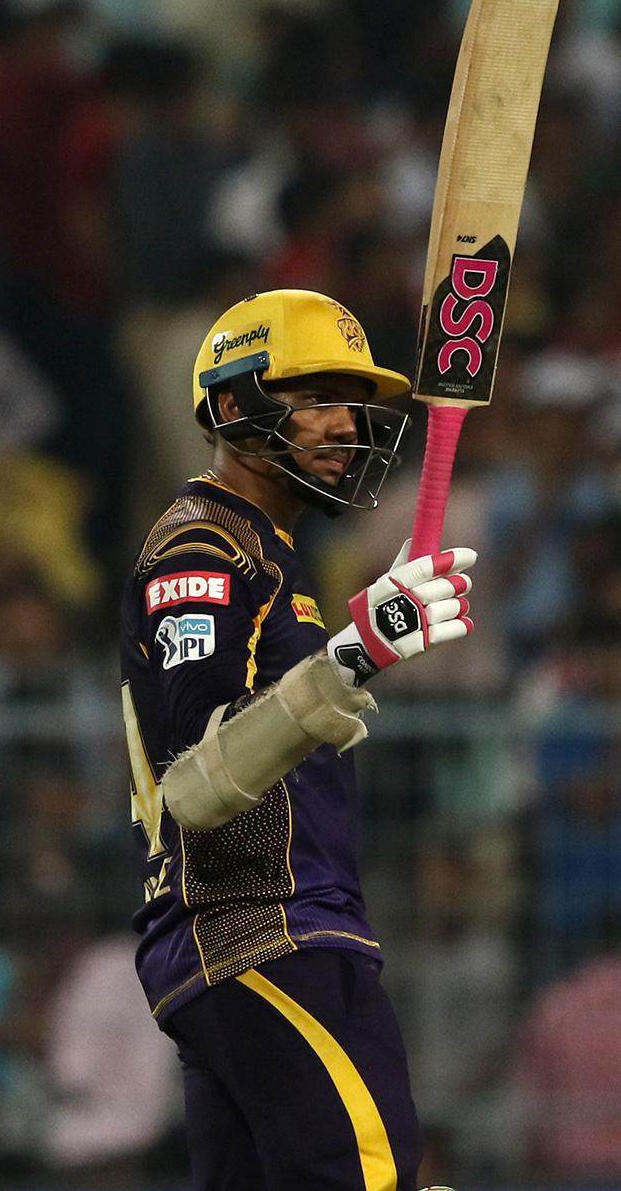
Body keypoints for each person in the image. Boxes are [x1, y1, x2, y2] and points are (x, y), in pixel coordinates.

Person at [120, 288, 479, 1189]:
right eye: (317, 397)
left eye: (350, 402)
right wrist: (354, 654)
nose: (345, 425)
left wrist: (356, 648)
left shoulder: (272, 550)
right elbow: (196, 785)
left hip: (251, 939)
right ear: (235, 406)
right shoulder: (204, 547)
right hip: (259, 928)